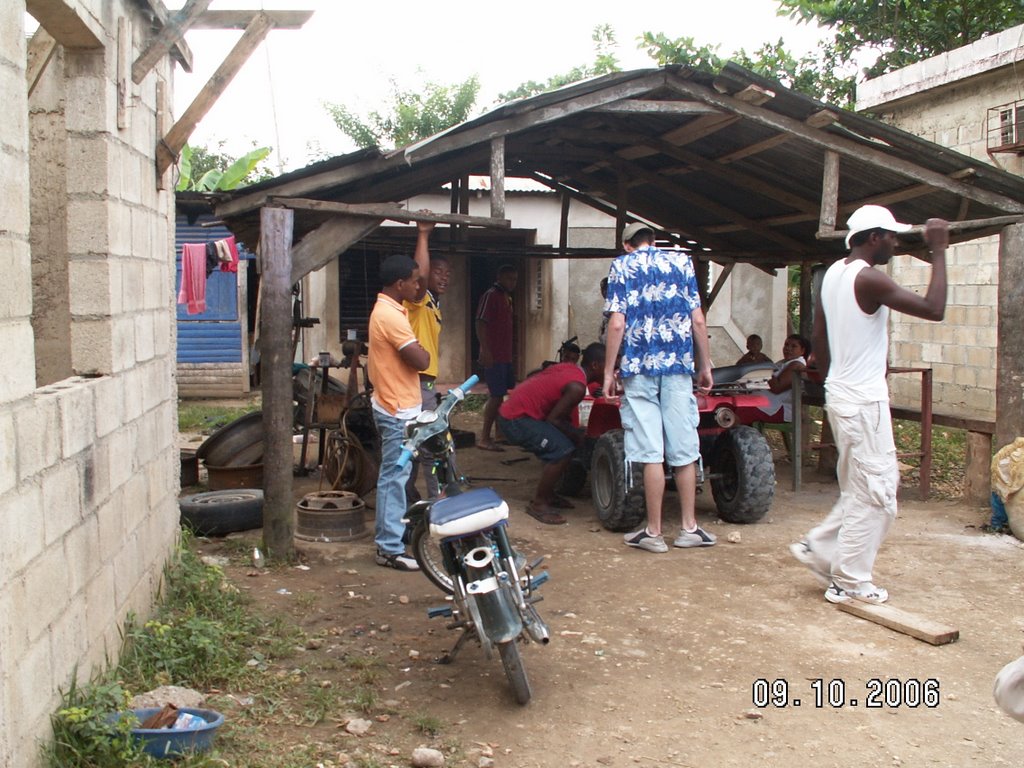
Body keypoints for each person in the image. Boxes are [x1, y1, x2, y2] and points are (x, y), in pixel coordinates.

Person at [791, 204, 948, 603]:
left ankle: (821, 548)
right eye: (891, 236)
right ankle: (850, 581)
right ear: (873, 237)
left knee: (862, 488)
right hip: (863, 402)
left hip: (842, 396)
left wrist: (833, 383)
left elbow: (818, 338)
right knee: (877, 495)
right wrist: (939, 252)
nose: (895, 243)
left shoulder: (832, 275)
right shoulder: (869, 278)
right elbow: (934, 309)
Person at [603, 222, 716, 553]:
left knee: (651, 449)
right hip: (678, 368)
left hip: (638, 369)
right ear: (654, 240)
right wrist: (705, 364)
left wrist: (610, 371)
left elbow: (617, 322)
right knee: (683, 445)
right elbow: (698, 319)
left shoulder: (622, 265)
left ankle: (653, 533)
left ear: (627, 245)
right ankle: (689, 528)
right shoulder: (681, 263)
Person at [367, 254, 431, 571]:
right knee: (393, 479)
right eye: (415, 280)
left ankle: (394, 537)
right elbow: (421, 360)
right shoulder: (389, 316)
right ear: (400, 283)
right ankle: (388, 549)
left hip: (398, 404)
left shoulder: (393, 310)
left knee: (397, 476)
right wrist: (423, 351)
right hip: (396, 409)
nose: (419, 285)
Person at [497, 342, 605, 525]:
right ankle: (539, 504)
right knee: (562, 451)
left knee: (564, 442)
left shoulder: (571, 370)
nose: (613, 371)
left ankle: (549, 494)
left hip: (516, 411)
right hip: (515, 419)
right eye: (610, 366)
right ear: (595, 365)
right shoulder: (577, 387)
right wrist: (579, 435)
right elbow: (554, 420)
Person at [404, 218, 451, 502]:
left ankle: (412, 499)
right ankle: (435, 503)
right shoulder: (418, 300)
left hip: (427, 384)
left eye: (449, 273)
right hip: (418, 383)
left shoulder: (433, 303)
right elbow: (418, 278)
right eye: (439, 271)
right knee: (429, 446)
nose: (445, 277)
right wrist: (423, 235)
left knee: (417, 444)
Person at [475, 264, 518, 452]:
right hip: (494, 355)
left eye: (515, 279)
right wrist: (485, 349)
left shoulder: (506, 297)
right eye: (509, 278)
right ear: (500, 277)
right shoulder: (490, 295)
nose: (512, 283)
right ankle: (484, 437)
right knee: (496, 395)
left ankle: (499, 433)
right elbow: (480, 322)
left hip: (505, 354)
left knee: (502, 394)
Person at [757, 334, 811, 423]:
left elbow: (777, 388)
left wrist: (765, 368)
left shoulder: (797, 365)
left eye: (793, 346)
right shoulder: (782, 363)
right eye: (786, 345)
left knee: (732, 414)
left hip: (775, 408)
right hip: (762, 402)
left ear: (802, 351)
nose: (788, 348)